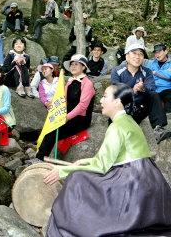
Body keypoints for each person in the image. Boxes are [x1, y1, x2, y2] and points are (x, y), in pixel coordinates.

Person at [44, 83, 171, 237]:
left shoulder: (116, 127)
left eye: (105, 96)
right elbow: (113, 158)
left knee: (77, 178)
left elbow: (101, 166)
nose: (101, 101)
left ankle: (74, 227)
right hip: (147, 178)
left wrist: (62, 171)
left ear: (117, 101)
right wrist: (83, 162)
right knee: (83, 174)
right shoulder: (129, 121)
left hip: (133, 182)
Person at [35, 54, 95, 160]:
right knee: (50, 127)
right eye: (72, 64)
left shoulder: (87, 83)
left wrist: (66, 117)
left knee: (53, 130)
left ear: (84, 67)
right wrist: (54, 108)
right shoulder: (70, 82)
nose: (73, 66)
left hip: (80, 118)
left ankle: (40, 159)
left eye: (76, 64)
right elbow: (64, 100)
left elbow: (82, 106)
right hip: (66, 114)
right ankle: (40, 156)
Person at [111, 43, 171, 143]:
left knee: (153, 95)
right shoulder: (117, 71)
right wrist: (132, 91)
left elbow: (151, 88)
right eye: (134, 53)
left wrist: (142, 88)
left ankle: (159, 128)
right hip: (124, 107)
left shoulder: (146, 71)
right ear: (126, 55)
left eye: (141, 54)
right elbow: (116, 90)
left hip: (141, 106)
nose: (137, 57)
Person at [146, 44, 171, 113]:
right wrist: (164, 73)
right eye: (155, 52)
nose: (157, 54)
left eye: (159, 52)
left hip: (167, 89)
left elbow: (169, 75)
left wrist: (155, 72)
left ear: (165, 51)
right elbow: (147, 75)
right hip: (153, 89)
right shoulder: (151, 63)